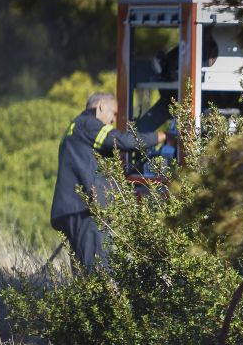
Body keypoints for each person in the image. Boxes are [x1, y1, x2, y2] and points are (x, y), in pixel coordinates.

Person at [50, 92, 169, 271]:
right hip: (85, 211)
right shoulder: (89, 124)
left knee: (84, 277)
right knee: (100, 274)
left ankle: (89, 299)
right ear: (101, 107)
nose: (113, 120)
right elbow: (123, 140)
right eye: (113, 113)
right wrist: (162, 137)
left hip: (73, 210)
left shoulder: (76, 127)